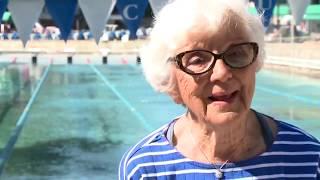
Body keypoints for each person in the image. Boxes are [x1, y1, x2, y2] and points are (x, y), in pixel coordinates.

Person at [119, 0, 320, 179]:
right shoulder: (145, 168)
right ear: (171, 80)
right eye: (197, 59)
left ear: (255, 63)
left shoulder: (308, 159)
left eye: (237, 53)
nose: (222, 73)